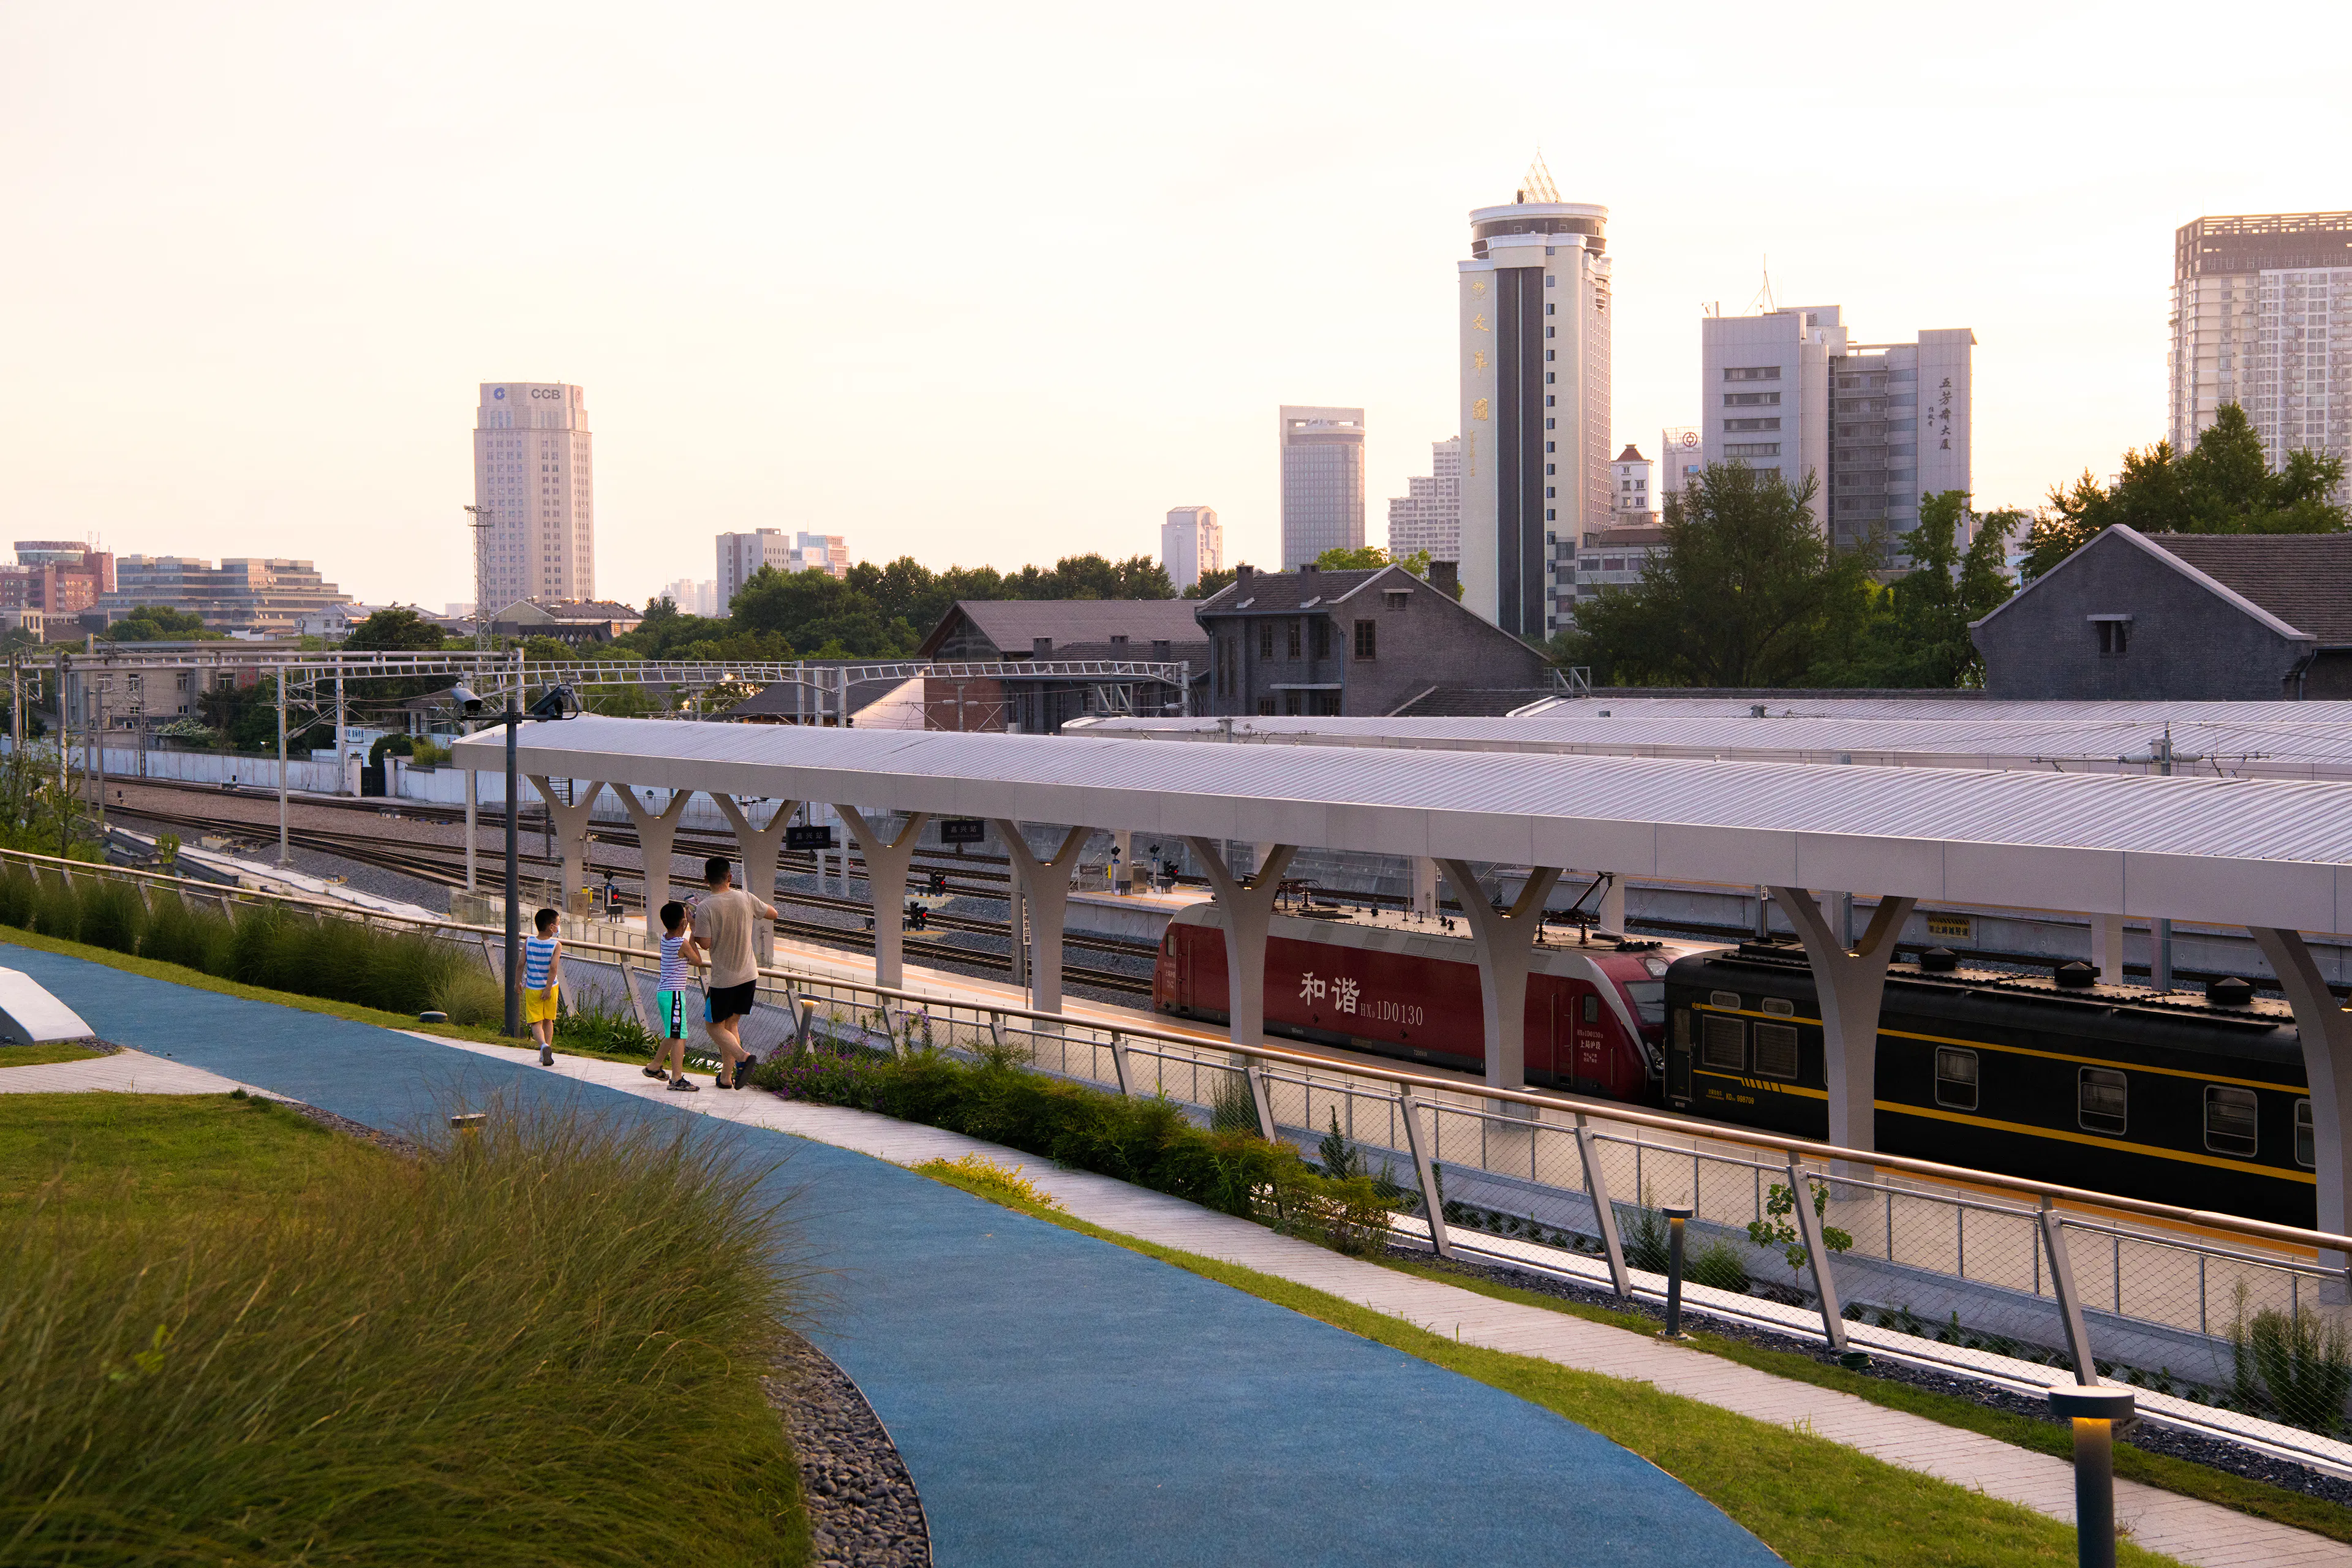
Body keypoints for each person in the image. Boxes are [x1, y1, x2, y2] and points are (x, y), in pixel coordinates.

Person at [692, 856, 775, 1089]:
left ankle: (743, 1058)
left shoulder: (705, 907)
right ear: (730, 877)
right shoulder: (746, 898)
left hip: (723, 980)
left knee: (713, 1026)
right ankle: (726, 1078)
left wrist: (693, 927)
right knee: (732, 1025)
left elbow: (706, 944)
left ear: (706, 879)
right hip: (749, 976)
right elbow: (773, 914)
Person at [644, 899, 704, 1091]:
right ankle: (676, 1078)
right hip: (674, 994)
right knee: (678, 1035)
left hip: (666, 993)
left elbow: (677, 934)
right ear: (682, 923)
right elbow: (698, 961)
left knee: (674, 1034)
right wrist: (694, 932)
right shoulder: (682, 942)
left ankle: (654, 1067)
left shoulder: (665, 938)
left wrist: (687, 925)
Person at [522, 907, 562, 1067]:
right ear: (551, 927)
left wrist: (517, 982)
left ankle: (543, 1046)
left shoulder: (529, 941)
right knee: (548, 1020)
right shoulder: (556, 945)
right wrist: (547, 988)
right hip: (551, 987)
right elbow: (553, 968)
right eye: (558, 924)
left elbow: (520, 964)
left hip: (532, 987)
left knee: (535, 1022)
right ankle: (548, 1048)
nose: (559, 927)